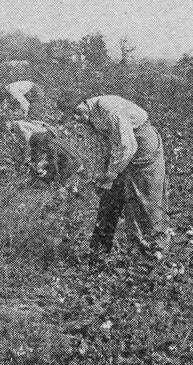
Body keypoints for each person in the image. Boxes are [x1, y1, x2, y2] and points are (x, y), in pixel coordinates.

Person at [57, 91, 170, 262]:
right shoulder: (90, 116)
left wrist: (111, 173)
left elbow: (128, 146)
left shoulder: (109, 109)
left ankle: (154, 252)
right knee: (109, 198)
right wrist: (102, 174)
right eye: (71, 117)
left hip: (143, 146)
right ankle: (99, 251)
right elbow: (105, 146)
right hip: (121, 154)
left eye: (74, 113)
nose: (75, 118)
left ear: (81, 104)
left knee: (145, 198)